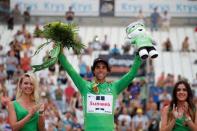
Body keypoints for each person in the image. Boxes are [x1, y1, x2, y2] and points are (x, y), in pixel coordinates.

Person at [58, 47, 142, 130]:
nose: (100, 70)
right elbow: (70, 70)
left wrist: (139, 56)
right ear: (93, 71)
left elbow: (131, 74)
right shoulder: (85, 86)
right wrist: (59, 51)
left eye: (103, 67)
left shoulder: (114, 87)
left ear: (107, 71)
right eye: (97, 67)